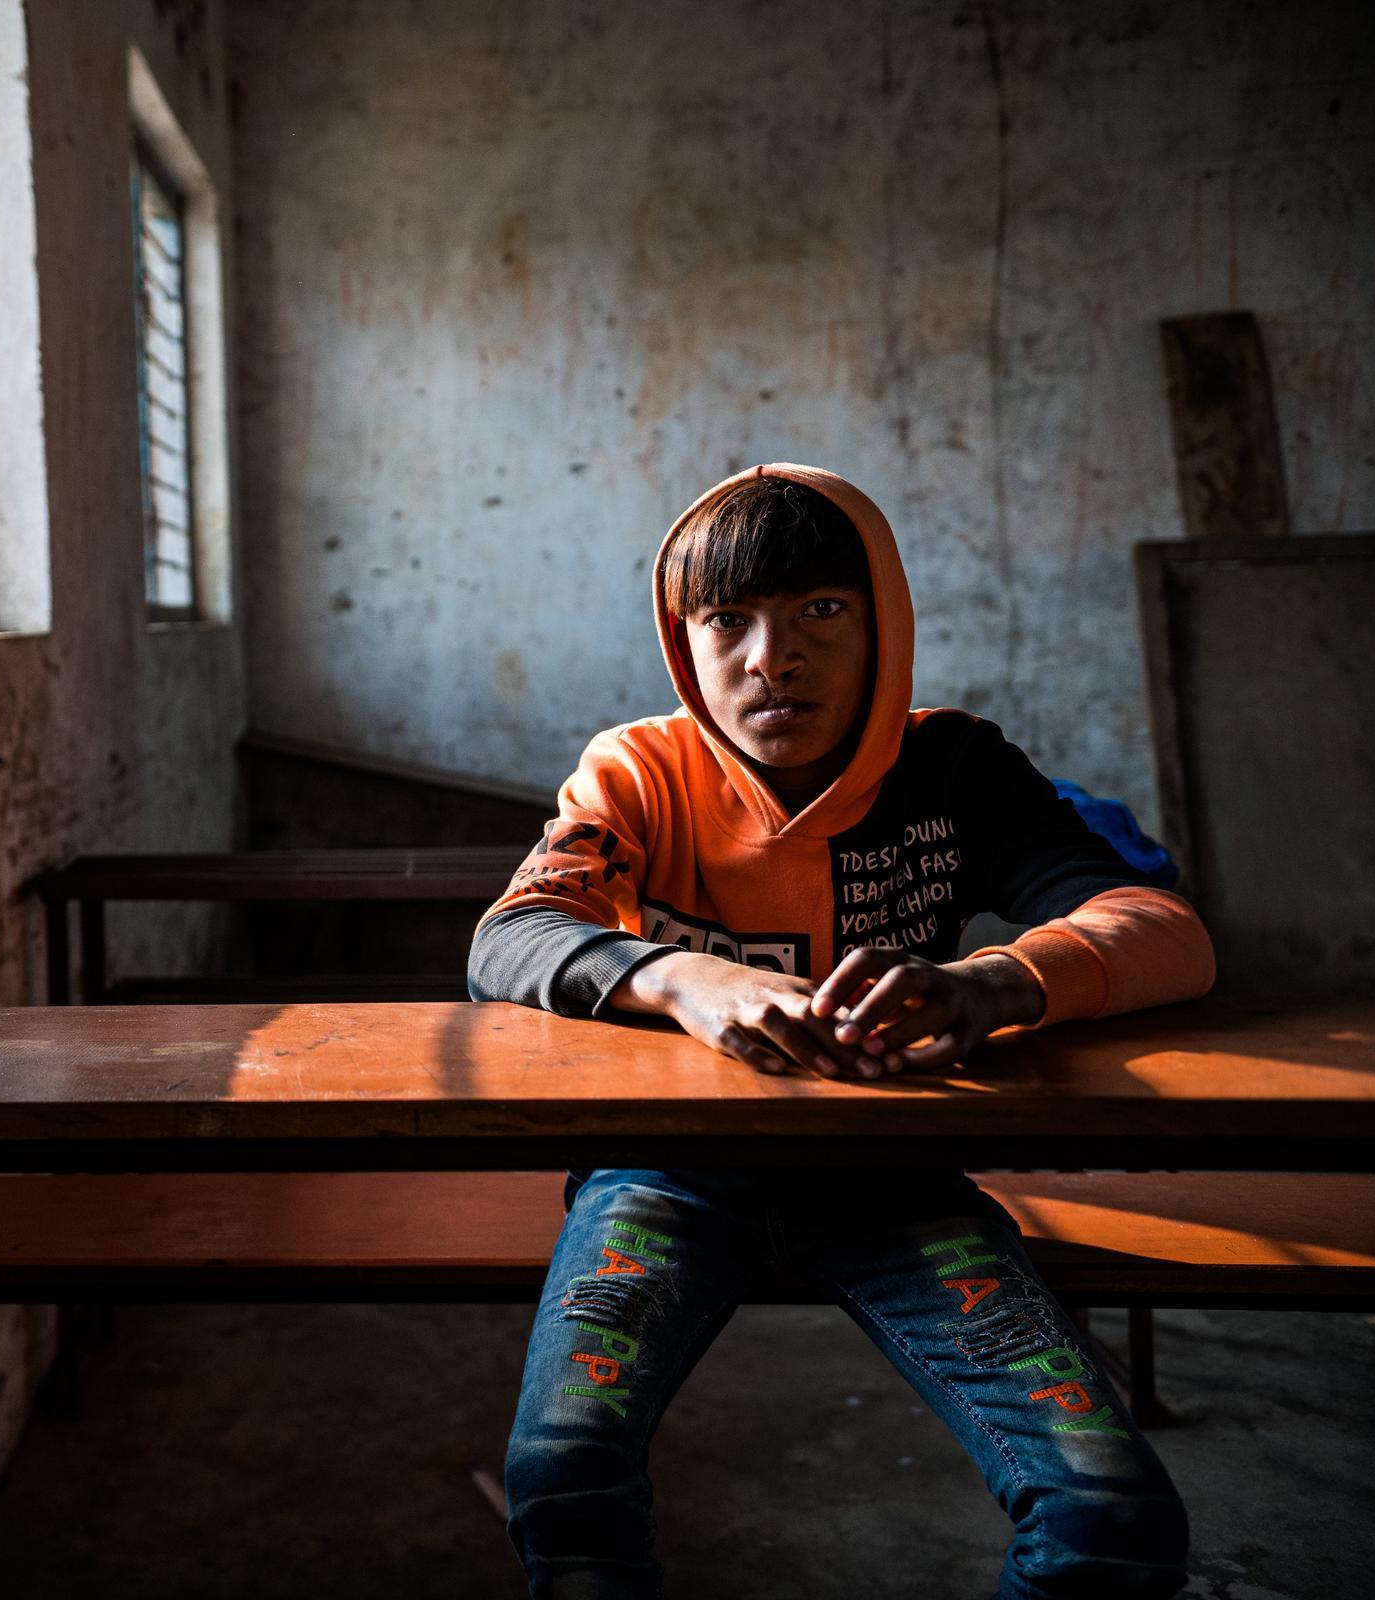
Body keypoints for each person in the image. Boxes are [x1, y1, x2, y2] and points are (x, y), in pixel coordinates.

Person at [469, 464, 1215, 1598]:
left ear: (885, 625)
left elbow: (1162, 928)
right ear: (685, 641)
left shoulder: (952, 768)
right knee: (564, 1483)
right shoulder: (639, 771)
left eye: (822, 610)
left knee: (1113, 1519)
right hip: (668, 1176)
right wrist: (684, 982)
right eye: (728, 619)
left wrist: (995, 984)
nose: (773, 657)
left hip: (891, 1181)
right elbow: (508, 938)